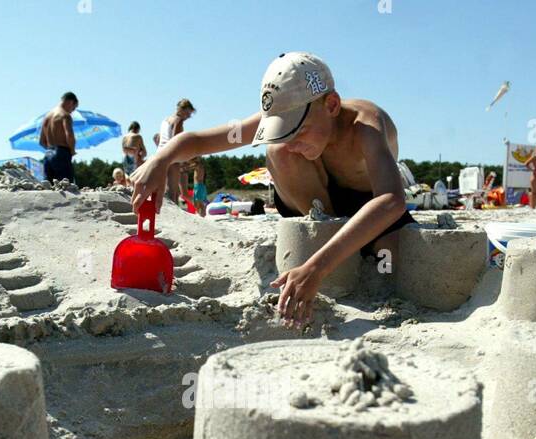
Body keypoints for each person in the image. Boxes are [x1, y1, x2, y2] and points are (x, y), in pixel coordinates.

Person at [131, 52, 414, 326]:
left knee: (392, 263)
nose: (293, 141)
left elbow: (391, 200)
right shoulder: (288, 113)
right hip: (316, 202)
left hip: (369, 201)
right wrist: (160, 159)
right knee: (279, 150)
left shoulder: (366, 125)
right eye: (284, 130)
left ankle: (334, 255)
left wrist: (316, 267)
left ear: (331, 105)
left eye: (298, 130)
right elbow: (200, 141)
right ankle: (327, 241)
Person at [157, 99, 196, 204]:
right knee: (173, 190)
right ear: (182, 109)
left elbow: (158, 138)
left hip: (160, 153)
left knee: (165, 187)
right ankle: (173, 213)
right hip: (171, 155)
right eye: (188, 113)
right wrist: (183, 160)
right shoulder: (178, 120)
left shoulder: (166, 120)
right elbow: (176, 142)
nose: (188, 117)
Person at [40, 92, 79, 185]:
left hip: (48, 153)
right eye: (74, 107)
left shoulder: (47, 117)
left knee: (48, 187)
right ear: (70, 102)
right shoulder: (64, 115)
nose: (72, 111)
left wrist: (51, 149)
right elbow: (69, 135)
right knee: (67, 187)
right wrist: (72, 150)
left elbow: (41, 141)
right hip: (61, 152)